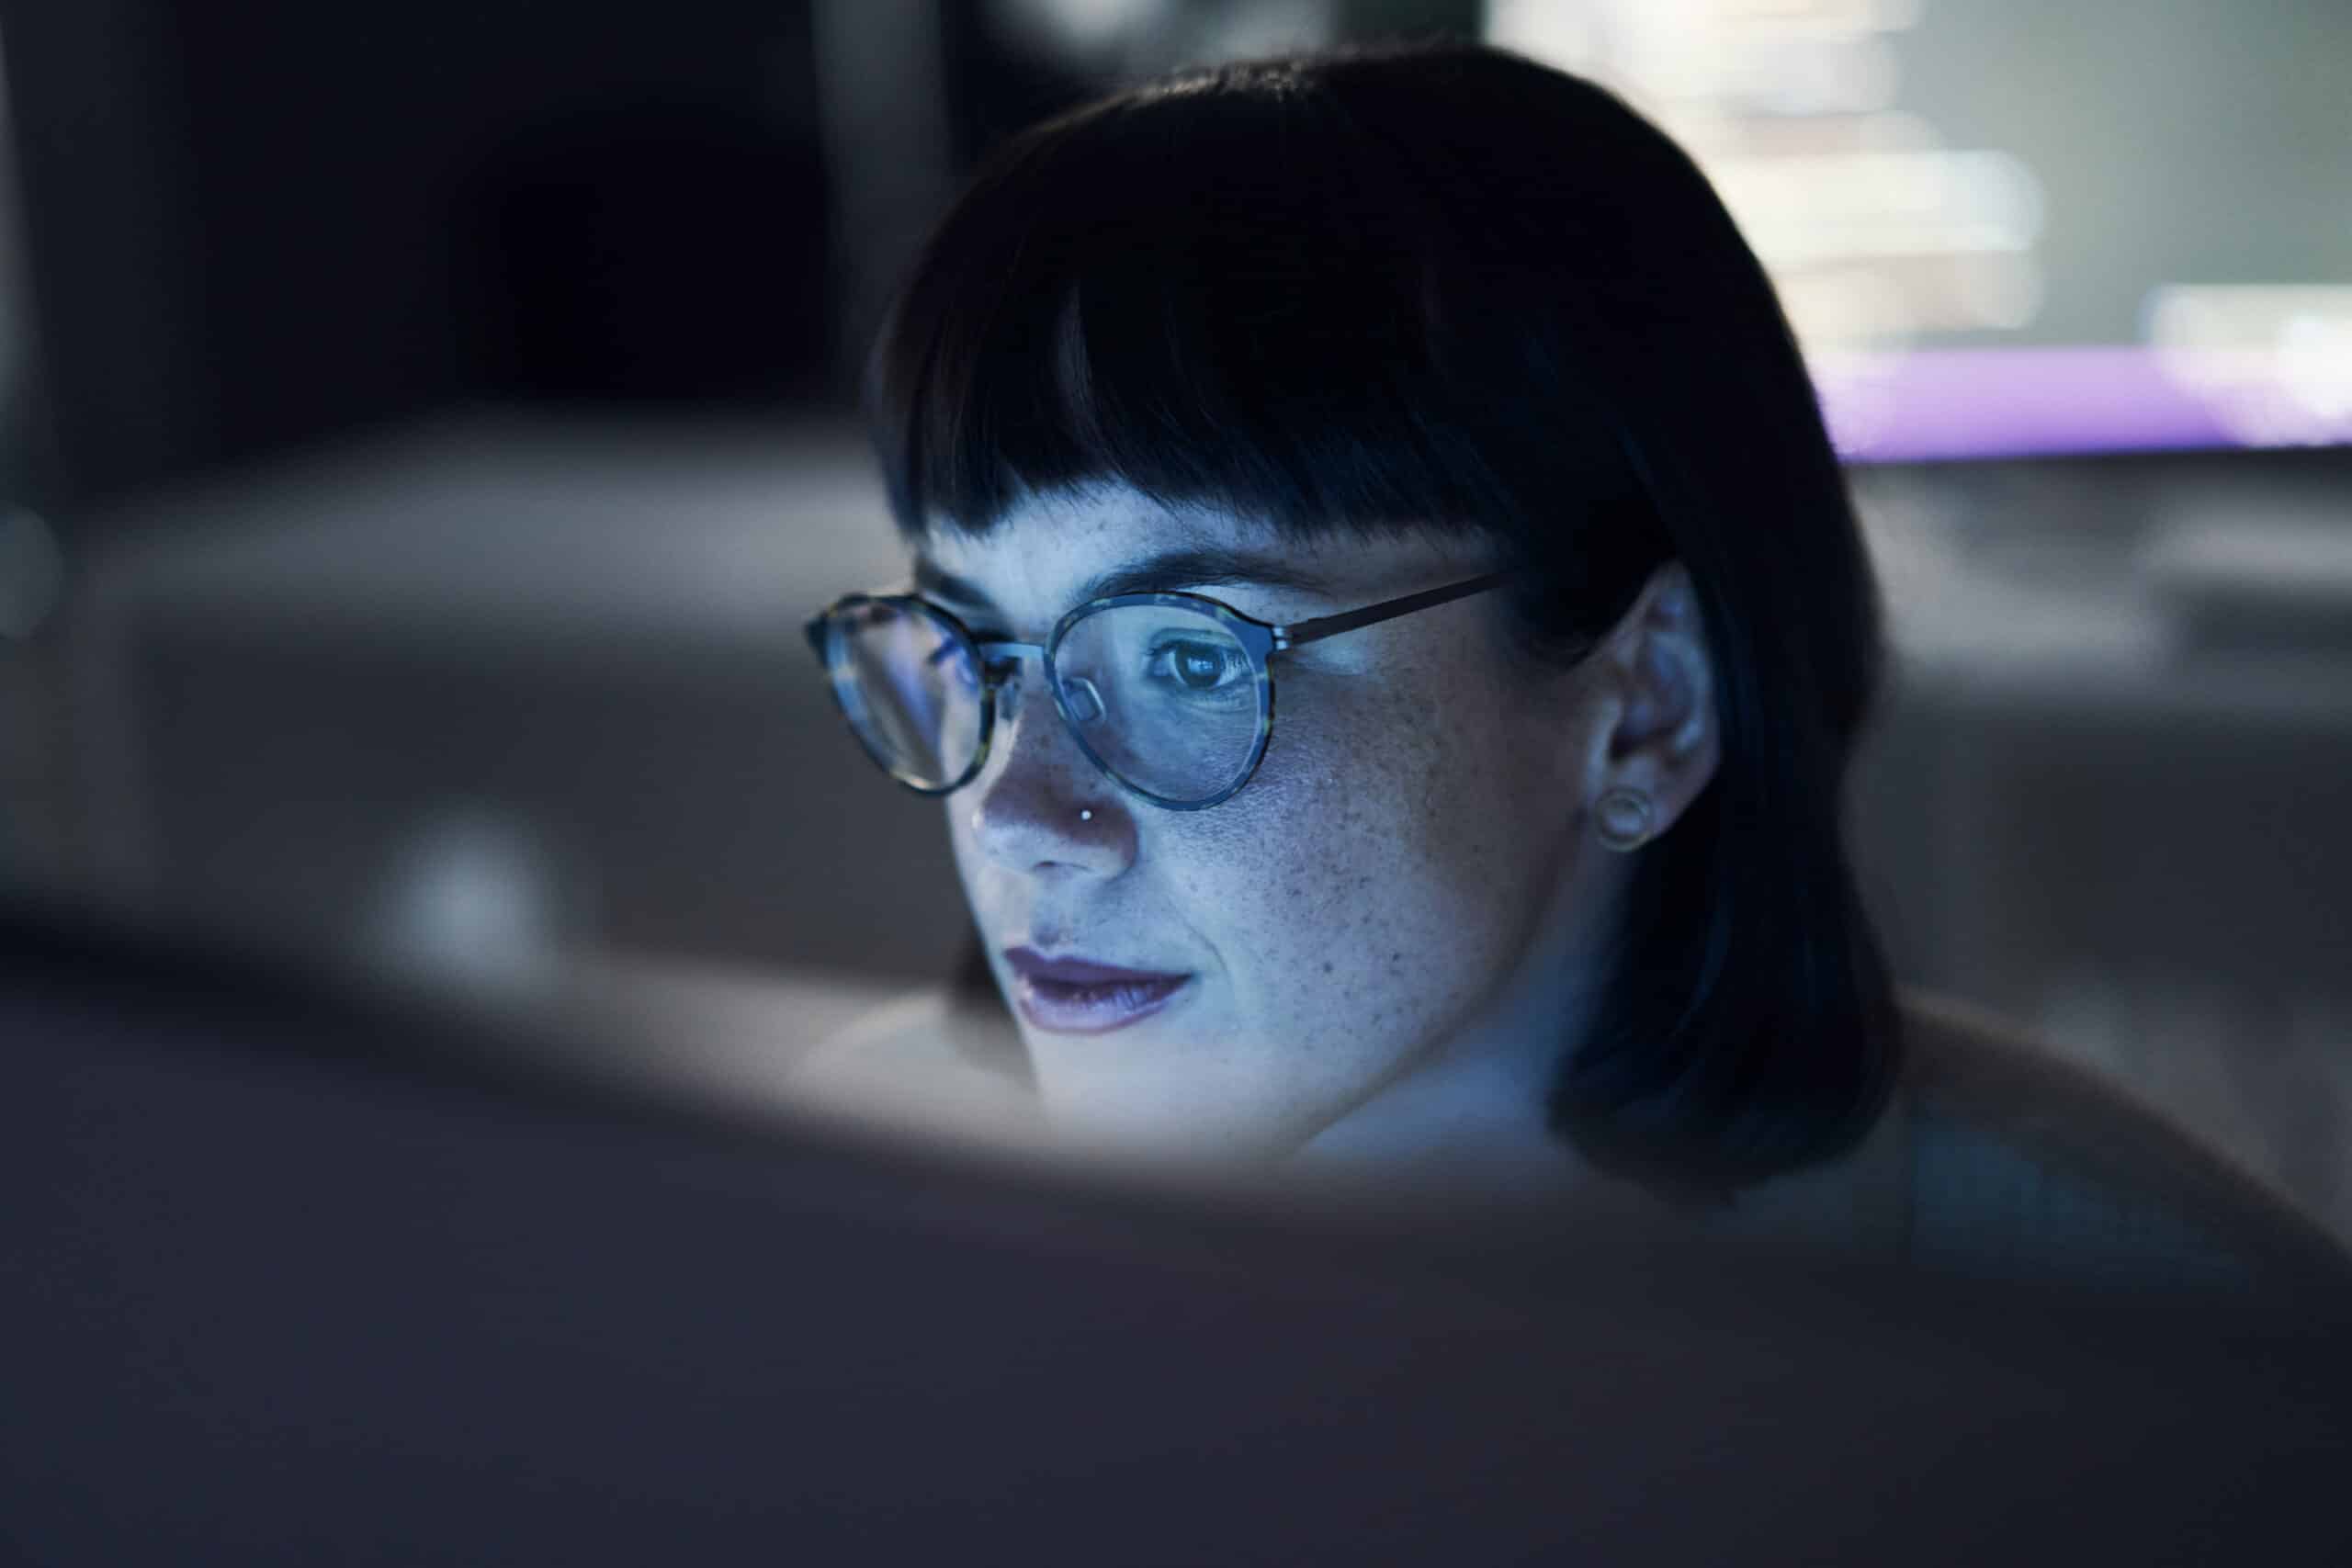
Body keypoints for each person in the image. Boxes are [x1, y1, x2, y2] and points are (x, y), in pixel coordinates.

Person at [796, 39, 2352, 1300]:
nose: (1017, 812)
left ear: (1646, 705)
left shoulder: (2152, 1358)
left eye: (1193, 659)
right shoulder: (810, 1224)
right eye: (974, 648)